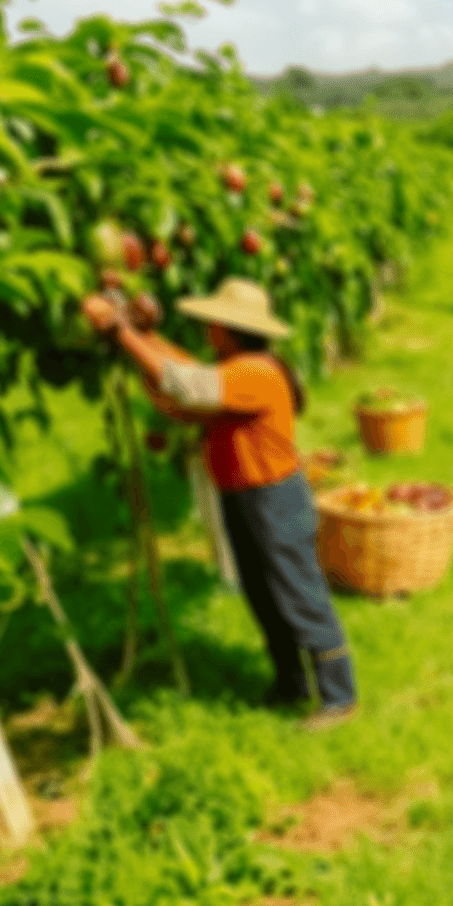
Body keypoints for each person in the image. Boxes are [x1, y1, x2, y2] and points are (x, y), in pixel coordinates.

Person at [82, 278, 359, 732]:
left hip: (274, 498)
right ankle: (292, 683)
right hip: (246, 497)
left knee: (297, 592)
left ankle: (339, 696)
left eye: (214, 321)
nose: (207, 327)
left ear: (229, 329)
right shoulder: (236, 369)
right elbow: (184, 380)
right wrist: (142, 335)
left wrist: (122, 333)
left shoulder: (255, 372)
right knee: (263, 592)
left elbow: (184, 384)